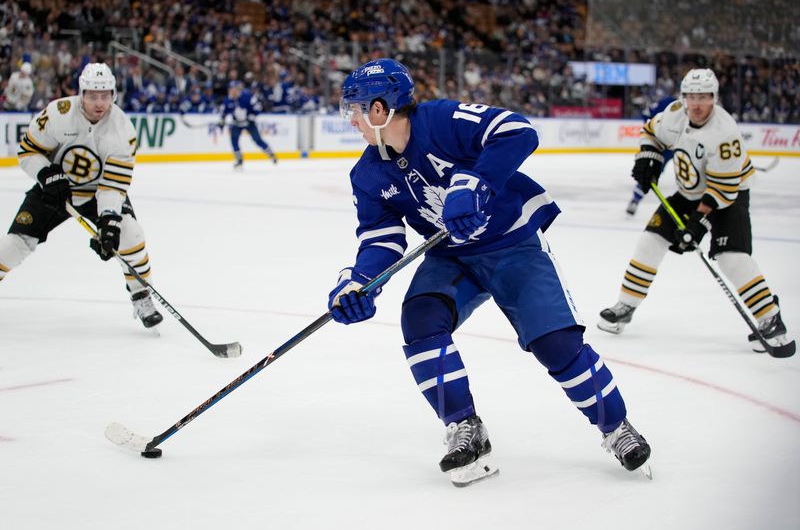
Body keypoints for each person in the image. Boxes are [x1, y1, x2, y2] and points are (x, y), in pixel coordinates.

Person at [327, 58, 652, 487]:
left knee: (556, 344)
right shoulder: (367, 173)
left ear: (381, 109)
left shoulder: (441, 121)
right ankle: (465, 427)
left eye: (356, 109)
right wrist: (359, 282)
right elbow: (381, 238)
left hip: (512, 245)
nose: (351, 121)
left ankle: (616, 426)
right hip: (451, 258)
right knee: (421, 321)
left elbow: (517, 130)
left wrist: (476, 182)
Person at [598, 69, 795, 355]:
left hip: (729, 195)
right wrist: (648, 158)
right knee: (649, 242)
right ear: (684, 97)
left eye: (704, 97)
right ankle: (626, 305)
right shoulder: (675, 114)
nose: (697, 104)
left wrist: (697, 224)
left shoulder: (725, 133)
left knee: (732, 259)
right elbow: (651, 132)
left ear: (714, 98)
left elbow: (722, 189)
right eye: (692, 96)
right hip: (689, 192)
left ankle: (769, 317)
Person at [2, 63, 163, 329]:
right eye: (92, 95)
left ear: (113, 94)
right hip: (53, 191)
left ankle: (141, 295)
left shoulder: (123, 130)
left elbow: (113, 185)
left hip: (96, 194)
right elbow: (28, 151)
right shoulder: (58, 114)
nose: (99, 103)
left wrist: (109, 220)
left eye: (105, 95)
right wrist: (46, 174)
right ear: (81, 93)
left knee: (130, 234)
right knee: (14, 244)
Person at [626, 94, 676, 216]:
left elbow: (646, 115)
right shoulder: (669, 102)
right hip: (663, 146)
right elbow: (648, 118)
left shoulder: (669, 101)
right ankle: (636, 199)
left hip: (674, 147)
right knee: (649, 171)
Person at [218, 80, 277, 169]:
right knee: (234, 140)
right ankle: (239, 160)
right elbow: (223, 112)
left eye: (234, 89)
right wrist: (221, 121)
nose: (232, 91)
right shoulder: (227, 100)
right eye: (230, 89)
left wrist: (250, 117)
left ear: (238, 89)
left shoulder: (248, 97)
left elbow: (258, 108)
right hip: (237, 123)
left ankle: (270, 153)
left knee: (257, 140)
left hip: (249, 123)